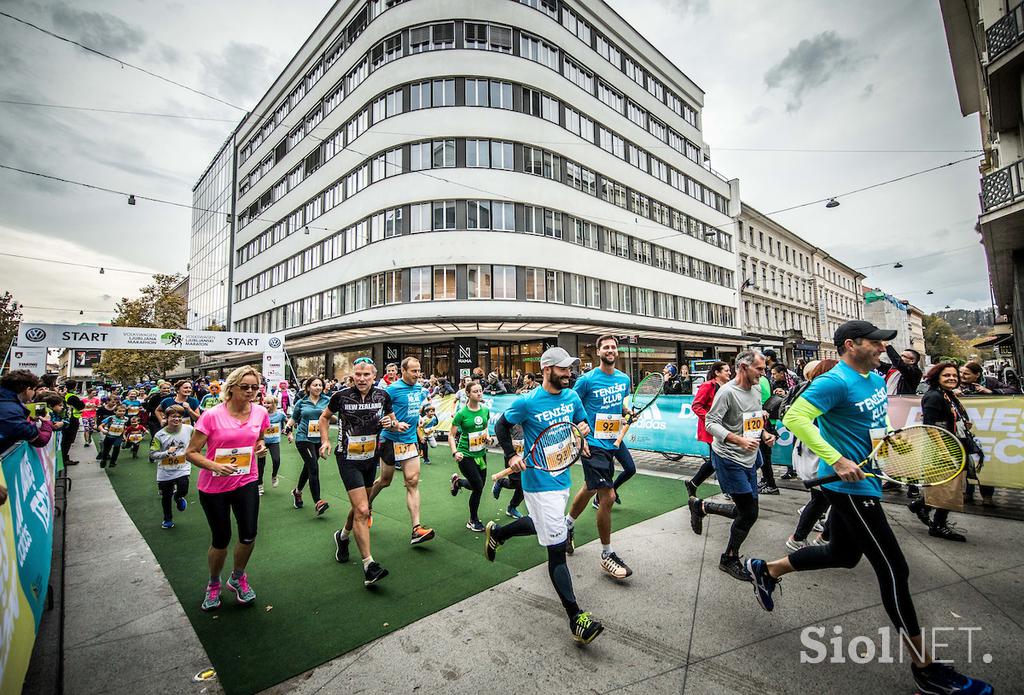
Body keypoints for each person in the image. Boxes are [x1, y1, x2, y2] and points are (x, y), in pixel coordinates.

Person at [745, 321, 993, 695]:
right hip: (847, 487)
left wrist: (893, 445)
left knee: (843, 555)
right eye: (875, 342)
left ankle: (766, 569)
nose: (882, 348)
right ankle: (925, 670)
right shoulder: (835, 381)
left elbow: (875, 427)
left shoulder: (876, 380)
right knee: (895, 568)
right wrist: (838, 459)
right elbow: (795, 418)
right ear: (851, 345)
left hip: (870, 479)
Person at [485, 346, 603, 644]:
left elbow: (581, 422)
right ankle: (576, 617)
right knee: (557, 548)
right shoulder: (528, 402)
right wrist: (511, 455)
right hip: (538, 482)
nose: (569, 373)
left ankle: (499, 533)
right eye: (563, 368)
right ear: (547, 369)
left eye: (570, 368)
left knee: (543, 526)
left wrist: (583, 434)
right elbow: (501, 424)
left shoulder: (573, 395)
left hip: (562, 476)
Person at [185, 365, 269, 612]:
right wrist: (215, 466)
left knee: (249, 534)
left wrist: (261, 446)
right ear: (231, 388)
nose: (251, 391)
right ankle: (213, 583)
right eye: (245, 387)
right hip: (214, 487)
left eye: (255, 387)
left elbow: (260, 437)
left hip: (247, 481)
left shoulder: (260, 412)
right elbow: (191, 453)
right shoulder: (212, 415)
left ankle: (238, 577)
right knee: (221, 540)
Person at [687, 350, 775, 581]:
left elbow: (753, 417)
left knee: (746, 511)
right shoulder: (726, 392)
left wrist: (764, 433)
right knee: (749, 513)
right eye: (760, 369)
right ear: (744, 368)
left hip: (750, 457)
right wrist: (739, 440)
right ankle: (729, 558)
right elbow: (711, 424)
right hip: (728, 458)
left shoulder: (756, 389)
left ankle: (701, 507)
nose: (764, 374)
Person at [318, 357, 398, 586]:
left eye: (366, 375)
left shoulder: (383, 396)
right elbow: (324, 418)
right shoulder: (340, 396)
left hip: (370, 456)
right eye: (358, 374)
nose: (362, 379)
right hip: (348, 457)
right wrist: (325, 440)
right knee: (363, 508)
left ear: (375, 376)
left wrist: (392, 423)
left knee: (359, 506)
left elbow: (392, 420)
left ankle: (342, 536)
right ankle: (369, 565)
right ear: (352, 375)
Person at [566, 335, 633, 579]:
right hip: (592, 443)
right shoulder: (586, 380)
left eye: (614, 347)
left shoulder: (624, 379)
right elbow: (571, 406)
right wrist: (579, 435)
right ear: (598, 352)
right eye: (606, 347)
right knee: (609, 496)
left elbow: (619, 406)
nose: (610, 350)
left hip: (614, 440)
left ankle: (567, 525)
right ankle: (607, 554)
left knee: (591, 488)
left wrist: (627, 412)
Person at [367, 357, 435, 545]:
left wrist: (419, 418)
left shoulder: (419, 389)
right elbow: (379, 415)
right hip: (390, 440)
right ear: (402, 371)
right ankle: (367, 505)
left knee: (412, 481)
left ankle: (416, 529)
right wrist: (395, 424)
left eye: (419, 371)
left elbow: (414, 409)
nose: (417, 374)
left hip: (410, 440)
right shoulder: (391, 390)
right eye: (413, 371)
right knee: (385, 480)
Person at [907, 364, 973, 540]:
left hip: (954, 444)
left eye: (954, 375)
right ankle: (938, 524)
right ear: (937, 377)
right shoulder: (934, 397)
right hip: (942, 449)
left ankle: (921, 505)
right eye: (947, 375)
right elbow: (930, 427)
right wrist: (945, 451)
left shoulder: (948, 394)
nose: (952, 378)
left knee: (946, 487)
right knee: (948, 489)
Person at [785, 358, 838, 550]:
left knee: (824, 499)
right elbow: (795, 420)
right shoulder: (816, 393)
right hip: (816, 454)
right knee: (828, 499)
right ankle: (808, 537)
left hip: (815, 453)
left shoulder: (813, 390)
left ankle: (817, 536)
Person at [449, 380, 492, 532]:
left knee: (478, 485)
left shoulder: (485, 410)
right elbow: (451, 435)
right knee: (478, 487)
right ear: (467, 394)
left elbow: (485, 428)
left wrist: (488, 437)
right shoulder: (461, 414)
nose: (479, 393)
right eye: (475, 391)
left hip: (481, 454)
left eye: (480, 391)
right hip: (465, 455)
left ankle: (458, 482)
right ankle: (472, 519)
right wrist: (455, 452)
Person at [684, 362, 732, 498]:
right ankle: (728, 490)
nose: (729, 373)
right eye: (726, 370)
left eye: (729, 370)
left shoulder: (729, 387)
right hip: (712, 430)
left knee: (715, 461)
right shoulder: (707, 386)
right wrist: (711, 419)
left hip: (725, 428)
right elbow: (696, 406)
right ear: (717, 372)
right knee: (719, 460)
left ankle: (693, 483)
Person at [287, 377, 332, 515]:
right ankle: (318, 501)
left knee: (308, 467)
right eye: (315, 385)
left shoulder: (327, 401)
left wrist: (331, 417)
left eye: (320, 385)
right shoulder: (302, 402)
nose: (318, 387)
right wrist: (288, 429)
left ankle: (297, 491)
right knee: (313, 466)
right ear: (308, 387)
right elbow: (294, 418)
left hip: (319, 438)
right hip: (303, 438)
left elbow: (332, 416)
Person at [150, 405, 193, 529]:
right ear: (166, 418)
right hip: (165, 470)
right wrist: (166, 453)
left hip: (182, 467)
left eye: (179, 417)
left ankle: (179, 497)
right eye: (173, 417)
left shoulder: (189, 429)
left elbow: (199, 439)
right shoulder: (159, 435)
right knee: (166, 496)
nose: (176, 419)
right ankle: (167, 519)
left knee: (183, 488)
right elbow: (153, 454)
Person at [0, 370, 53, 451]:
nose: (34, 393)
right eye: (34, 390)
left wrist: (31, 420)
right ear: (28, 390)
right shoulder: (13, 412)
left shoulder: (8, 405)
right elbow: (40, 440)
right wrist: (46, 422)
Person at [257, 396, 286, 493]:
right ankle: (260, 484)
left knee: (276, 460)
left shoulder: (280, 415)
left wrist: (288, 432)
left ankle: (274, 476)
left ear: (274, 404)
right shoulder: (260, 415)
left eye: (268, 403)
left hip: (274, 441)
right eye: (264, 402)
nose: (266, 405)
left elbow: (287, 423)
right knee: (261, 464)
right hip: (262, 441)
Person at [98, 404, 129, 468]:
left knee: (117, 449)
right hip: (109, 437)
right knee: (106, 450)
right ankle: (103, 460)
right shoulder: (111, 418)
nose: (122, 412)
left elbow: (124, 427)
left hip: (118, 437)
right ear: (115, 411)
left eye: (123, 411)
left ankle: (113, 462)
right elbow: (100, 426)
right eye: (120, 411)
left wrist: (124, 435)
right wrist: (103, 430)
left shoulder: (126, 419)